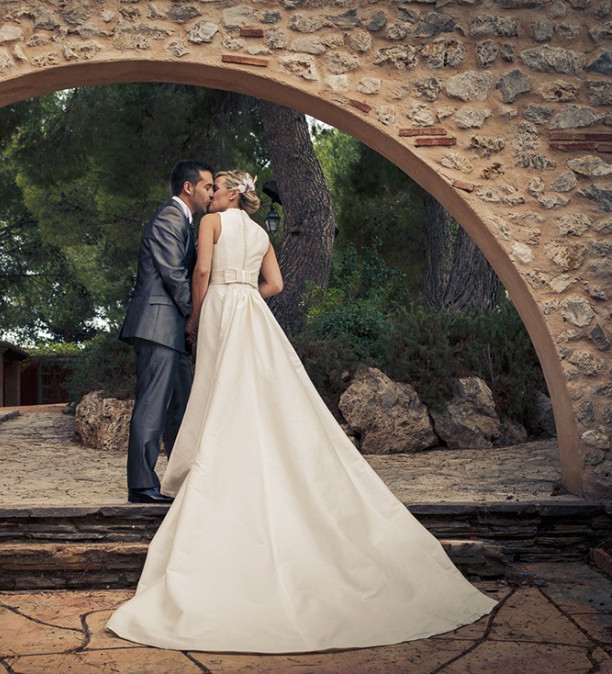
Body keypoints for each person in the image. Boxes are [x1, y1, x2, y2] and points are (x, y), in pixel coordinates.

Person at [106, 170, 497, 653]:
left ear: (227, 194)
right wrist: (246, 291)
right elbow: (277, 283)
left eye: (216, 188)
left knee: (216, 390)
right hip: (252, 308)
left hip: (221, 309)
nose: (210, 195)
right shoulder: (261, 231)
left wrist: (199, 313)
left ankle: (205, 469)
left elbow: (201, 273)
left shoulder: (212, 224)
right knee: (257, 392)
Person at [118, 160, 214, 504]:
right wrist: (199, 316)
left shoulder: (184, 223)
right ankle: (142, 486)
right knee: (153, 407)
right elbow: (174, 274)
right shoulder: (169, 219)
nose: (211, 193)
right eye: (207, 186)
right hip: (158, 326)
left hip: (170, 330)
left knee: (181, 408)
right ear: (188, 187)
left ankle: (177, 480)